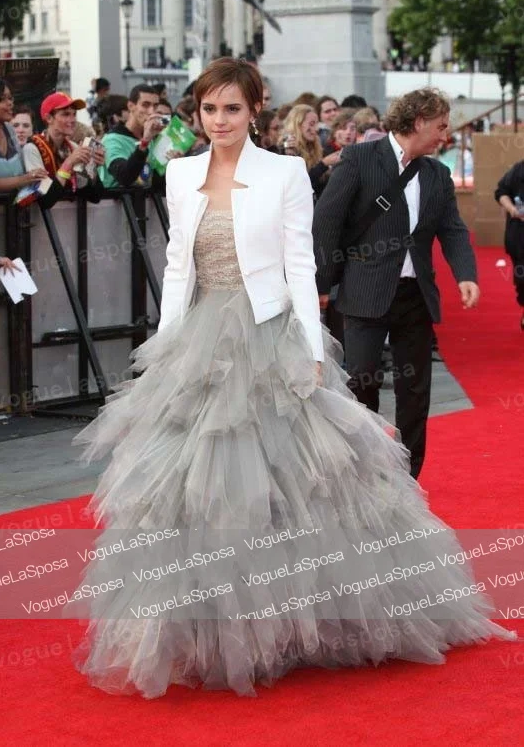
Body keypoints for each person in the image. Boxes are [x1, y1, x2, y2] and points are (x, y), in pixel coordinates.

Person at [69, 61, 515, 700]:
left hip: (269, 332)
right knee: (188, 486)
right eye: (208, 109)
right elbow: (176, 267)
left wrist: (310, 348)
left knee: (295, 479)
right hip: (200, 338)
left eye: (231, 108)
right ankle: (200, 630)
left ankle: (304, 621)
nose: (218, 121)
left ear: (255, 110)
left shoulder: (283, 173)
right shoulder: (183, 173)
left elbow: (301, 265)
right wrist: (165, 348)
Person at [313, 88, 480, 480]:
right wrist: (321, 282)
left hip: (415, 295)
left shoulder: (437, 174)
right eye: (440, 126)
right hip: (365, 290)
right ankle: (363, 472)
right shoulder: (360, 158)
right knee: (361, 382)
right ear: (418, 121)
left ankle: (407, 475)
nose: (445, 135)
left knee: (415, 390)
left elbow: (452, 229)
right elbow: (327, 221)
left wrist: (466, 274)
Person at [23, 92, 105, 207]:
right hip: (40, 218)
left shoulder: (73, 147)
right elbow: (45, 200)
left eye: (74, 114)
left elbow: (95, 196)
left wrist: (92, 167)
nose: (73, 120)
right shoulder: (32, 148)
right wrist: (69, 163)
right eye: (66, 114)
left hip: (66, 217)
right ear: (49, 118)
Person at [98, 84, 164, 189]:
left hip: (144, 198)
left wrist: (172, 162)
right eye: (145, 105)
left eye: (155, 106)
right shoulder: (112, 140)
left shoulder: (149, 137)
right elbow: (124, 177)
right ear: (131, 106)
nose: (151, 112)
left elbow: (151, 182)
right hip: (118, 199)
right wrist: (144, 142)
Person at [0, 77, 47, 193]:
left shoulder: (9, 129)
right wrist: (25, 179)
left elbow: (23, 170)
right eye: (1, 99)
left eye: (10, 98)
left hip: (16, 203)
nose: (10, 103)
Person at [280, 104, 341, 198]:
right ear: (298, 124)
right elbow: (300, 184)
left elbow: (318, 186)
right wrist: (323, 164)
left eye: (317, 124)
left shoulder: (315, 146)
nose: (316, 129)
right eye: (312, 124)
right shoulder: (287, 148)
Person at [495, 160, 524, 329]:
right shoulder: (518, 170)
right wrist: (512, 209)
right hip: (519, 236)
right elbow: (501, 192)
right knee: (522, 278)